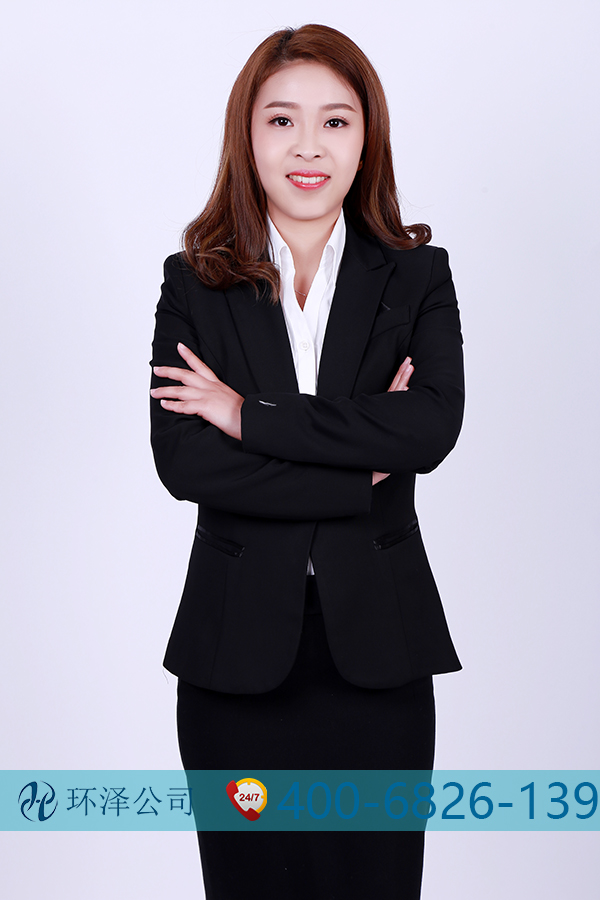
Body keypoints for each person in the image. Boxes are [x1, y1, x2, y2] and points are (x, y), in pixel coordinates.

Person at [149, 22, 464, 900]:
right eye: (282, 120)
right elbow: (187, 464)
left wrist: (244, 415)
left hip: (380, 652)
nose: (308, 147)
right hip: (234, 659)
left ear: (367, 137)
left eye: (336, 121)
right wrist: (358, 462)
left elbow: (427, 432)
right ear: (247, 136)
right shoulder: (194, 282)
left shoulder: (418, 277)